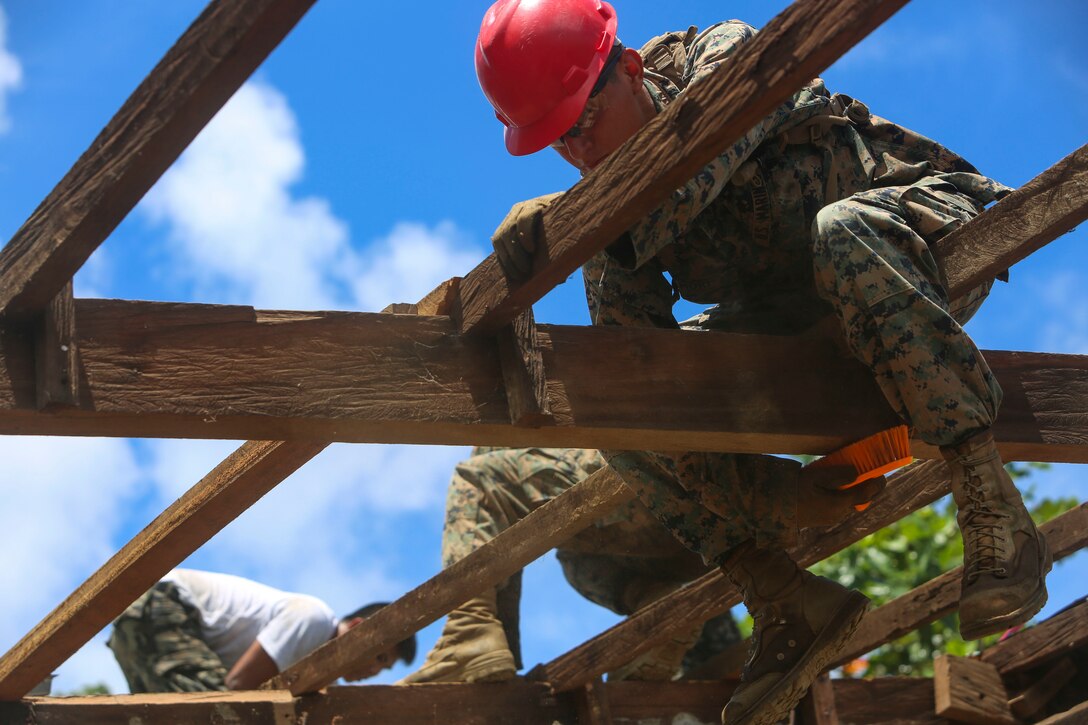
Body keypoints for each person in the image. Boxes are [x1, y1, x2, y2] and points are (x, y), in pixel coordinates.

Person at [474, 1, 1051, 723]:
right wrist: (767, 496)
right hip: (797, 318)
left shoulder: (727, 57)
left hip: (912, 241)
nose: (580, 154)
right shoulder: (614, 210)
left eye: (583, 125)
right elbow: (640, 356)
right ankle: (782, 595)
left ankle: (989, 500)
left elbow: (689, 169)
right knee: (610, 388)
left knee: (842, 230)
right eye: (558, 142)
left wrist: (569, 219)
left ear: (628, 71)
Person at [399, 447, 745, 685]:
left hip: (658, 476)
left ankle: (469, 629)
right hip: (712, 521)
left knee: (479, 482)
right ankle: (659, 607)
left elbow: (498, 520)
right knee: (576, 559)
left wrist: (485, 635)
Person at [107, 569, 416, 692]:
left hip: (136, 623)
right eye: (379, 656)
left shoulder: (318, 673)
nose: (375, 672)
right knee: (217, 712)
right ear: (359, 628)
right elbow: (238, 687)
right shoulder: (315, 619)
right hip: (162, 605)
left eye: (384, 667)